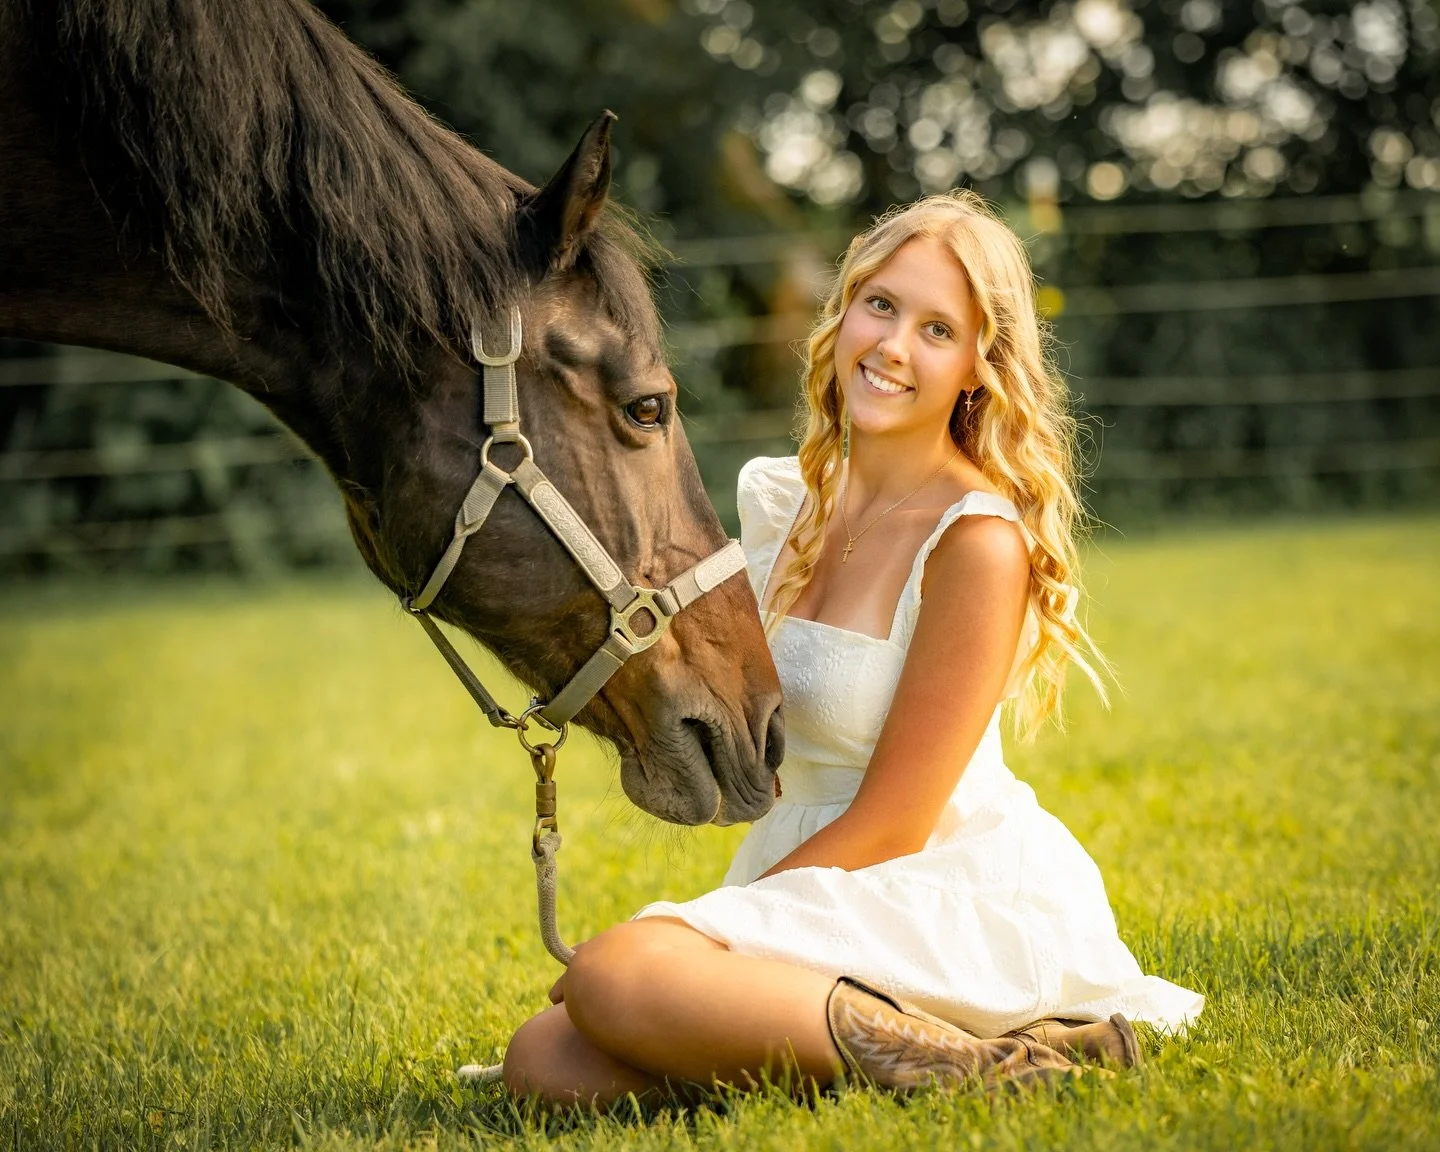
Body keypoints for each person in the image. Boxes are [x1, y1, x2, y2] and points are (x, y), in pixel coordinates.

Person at [501, 190, 1203, 1107]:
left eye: (937, 329)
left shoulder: (977, 542)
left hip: (924, 882)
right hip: (810, 871)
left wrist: (718, 926)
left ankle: (991, 1066)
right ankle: (866, 1061)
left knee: (617, 976)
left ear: (979, 371)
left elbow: (900, 821)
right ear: (845, 312)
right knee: (545, 1062)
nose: (893, 347)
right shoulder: (783, 504)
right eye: (881, 305)